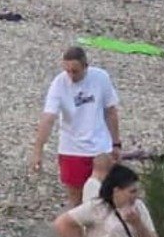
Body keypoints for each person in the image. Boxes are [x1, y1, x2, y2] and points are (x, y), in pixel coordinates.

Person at [30, 47, 122, 207]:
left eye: (75, 71)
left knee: (104, 198)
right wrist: (38, 150)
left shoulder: (101, 78)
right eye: (68, 71)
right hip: (72, 149)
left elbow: (110, 111)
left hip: (100, 147)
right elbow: (48, 118)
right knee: (76, 201)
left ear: (86, 66)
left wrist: (116, 143)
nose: (71, 76)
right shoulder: (59, 84)